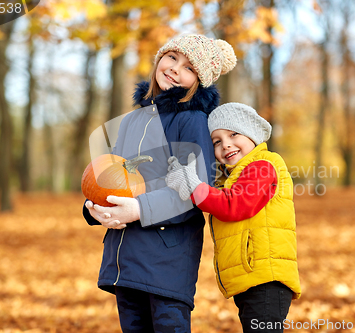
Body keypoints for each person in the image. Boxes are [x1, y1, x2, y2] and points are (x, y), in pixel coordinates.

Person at [82, 34, 237, 332]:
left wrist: (138, 208)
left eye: (189, 68)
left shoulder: (191, 120)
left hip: (167, 261)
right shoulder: (131, 121)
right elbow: (112, 177)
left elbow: (195, 192)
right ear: (159, 59)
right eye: (172, 58)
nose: (176, 69)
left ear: (198, 82)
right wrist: (95, 208)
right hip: (125, 260)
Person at [165, 103, 301, 333]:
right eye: (216, 141)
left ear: (253, 135)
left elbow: (234, 204)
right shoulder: (234, 176)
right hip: (251, 279)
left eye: (233, 134)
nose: (225, 144)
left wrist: (193, 187)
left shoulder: (263, 166)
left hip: (266, 279)